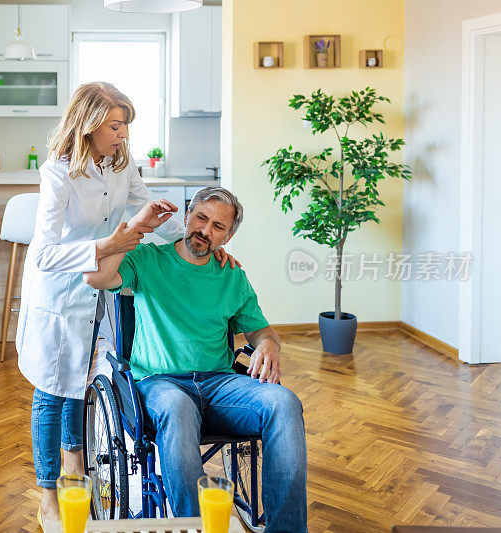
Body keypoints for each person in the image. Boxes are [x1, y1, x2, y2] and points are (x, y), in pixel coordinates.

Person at [15, 83, 241, 530]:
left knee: (81, 385)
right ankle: (48, 493)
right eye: (116, 126)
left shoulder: (120, 166)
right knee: (51, 392)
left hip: (97, 291)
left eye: (125, 126)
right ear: (89, 123)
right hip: (58, 294)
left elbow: (148, 206)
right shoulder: (58, 174)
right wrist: (110, 243)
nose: (123, 135)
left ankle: (75, 472)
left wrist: (198, 241)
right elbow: (43, 254)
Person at [83, 186, 308, 532]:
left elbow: (261, 332)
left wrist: (269, 345)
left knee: (285, 402)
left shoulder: (232, 276)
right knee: (177, 406)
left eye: (218, 226)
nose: (205, 231)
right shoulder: (148, 259)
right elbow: (96, 276)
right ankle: (198, 526)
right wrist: (139, 228)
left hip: (219, 385)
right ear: (187, 215)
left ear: (229, 235)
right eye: (201, 218)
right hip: (160, 384)